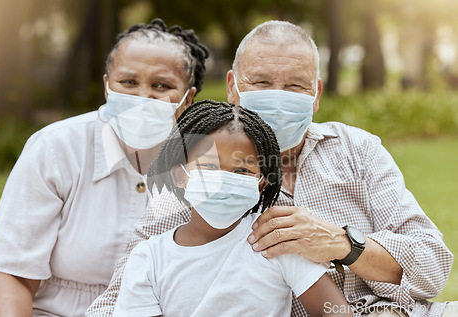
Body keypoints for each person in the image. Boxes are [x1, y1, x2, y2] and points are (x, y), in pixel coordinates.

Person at [87, 21, 455, 317]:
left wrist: (341, 243)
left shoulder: (356, 150)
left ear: (316, 94)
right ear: (232, 86)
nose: (278, 95)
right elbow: (120, 294)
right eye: (261, 82)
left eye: (296, 85)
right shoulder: (195, 171)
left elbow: (432, 266)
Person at [0, 18, 209, 316]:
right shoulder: (55, 148)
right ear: (107, 86)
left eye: (161, 85)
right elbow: (12, 271)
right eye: (128, 82)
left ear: (187, 99)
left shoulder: (210, 162)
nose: (142, 96)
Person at [114, 100, 352, 316]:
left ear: (261, 184)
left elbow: (335, 312)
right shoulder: (149, 259)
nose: (223, 180)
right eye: (209, 166)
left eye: (242, 171)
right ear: (179, 176)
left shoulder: (276, 242)